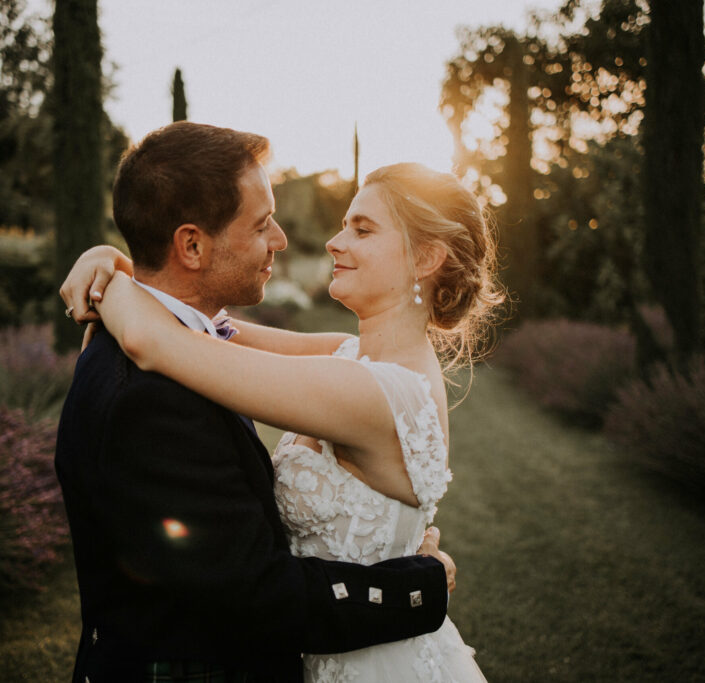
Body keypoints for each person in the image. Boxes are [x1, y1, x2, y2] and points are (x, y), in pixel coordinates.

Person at [62, 143, 502, 681]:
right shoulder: (345, 354)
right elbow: (210, 327)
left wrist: (104, 269)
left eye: (362, 230)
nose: (333, 241)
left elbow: (154, 340)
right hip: (323, 643)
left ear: (428, 258)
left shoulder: (376, 393)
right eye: (345, 225)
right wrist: (116, 263)